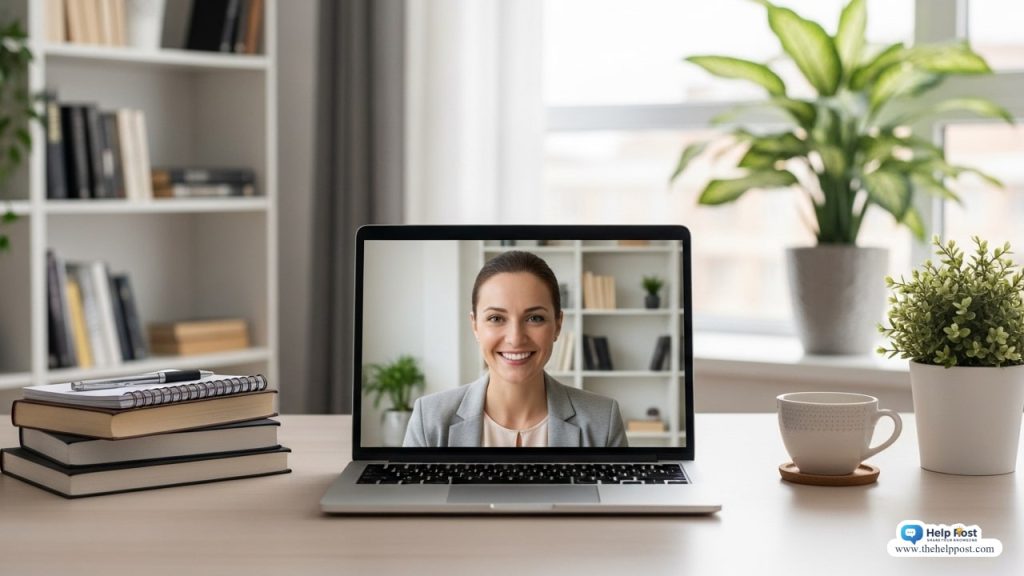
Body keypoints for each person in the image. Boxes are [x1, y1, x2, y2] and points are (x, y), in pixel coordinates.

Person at [403, 250, 628, 448]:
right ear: (475, 326)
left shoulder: (602, 420)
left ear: (558, 325)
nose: (515, 338)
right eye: (496, 318)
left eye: (534, 318)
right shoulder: (429, 418)